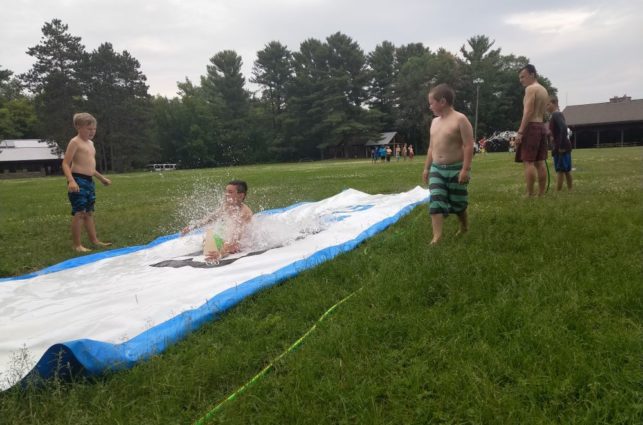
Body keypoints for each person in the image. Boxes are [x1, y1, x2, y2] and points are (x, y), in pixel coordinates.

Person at [422, 84, 474, 244]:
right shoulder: (434, 122)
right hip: (437, 169)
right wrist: (426, 168)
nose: (429, 106)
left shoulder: (460, 119)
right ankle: (436, 237)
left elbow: (468, 145)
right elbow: (431, 147)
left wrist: (465, 169)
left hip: (456, 169)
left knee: (458, 204)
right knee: (436, 199)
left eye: (431, 103)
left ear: (442, 101)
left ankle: (464, 226)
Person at [62, 113, 112, 252]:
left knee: (89, 213)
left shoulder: (91, 144)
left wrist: (101, 178)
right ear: (78, 127)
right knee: (79, 213)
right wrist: (71, 181)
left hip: (89, 181)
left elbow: (90, 167)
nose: (92, 132)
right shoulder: (75, 142)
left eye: (94, 129)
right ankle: (77, 245)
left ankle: (94, 240)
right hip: (77, 180)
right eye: (88, 129)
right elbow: (66, 164)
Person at [181, 180, 253, 262]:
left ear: (241, 195)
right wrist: (192, 226)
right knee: (207, 240)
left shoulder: (244, 213)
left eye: (230, 192)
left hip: (241, 242)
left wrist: (220, 253)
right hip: (230, 237)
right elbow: (211, 218)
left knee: (232, 247)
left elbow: (235, 238)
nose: (226, 194)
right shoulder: (227, 206)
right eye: (226, 191)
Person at [515, 64, 549, 197]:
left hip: (531, 127)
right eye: (520, 77)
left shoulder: (530, 89)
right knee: (540, 161)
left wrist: (520, 131)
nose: (521, 80)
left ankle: (529, 194)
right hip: (541, 126)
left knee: (528, 161)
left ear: (532, 74)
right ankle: (541, 193)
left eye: (523, 76)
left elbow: (528, 111)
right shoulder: (544, 90)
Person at [547, 95, 573, 191]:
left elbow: (563, 128)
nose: (546, 107)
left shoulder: (556, 114)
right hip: (562, 146)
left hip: (561, 147)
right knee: (566, 170)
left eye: (548, 104)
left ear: (554, 103)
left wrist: (561, 146)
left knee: (561, 170)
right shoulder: (556, 115)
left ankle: (558, 191)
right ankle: (570, 189)